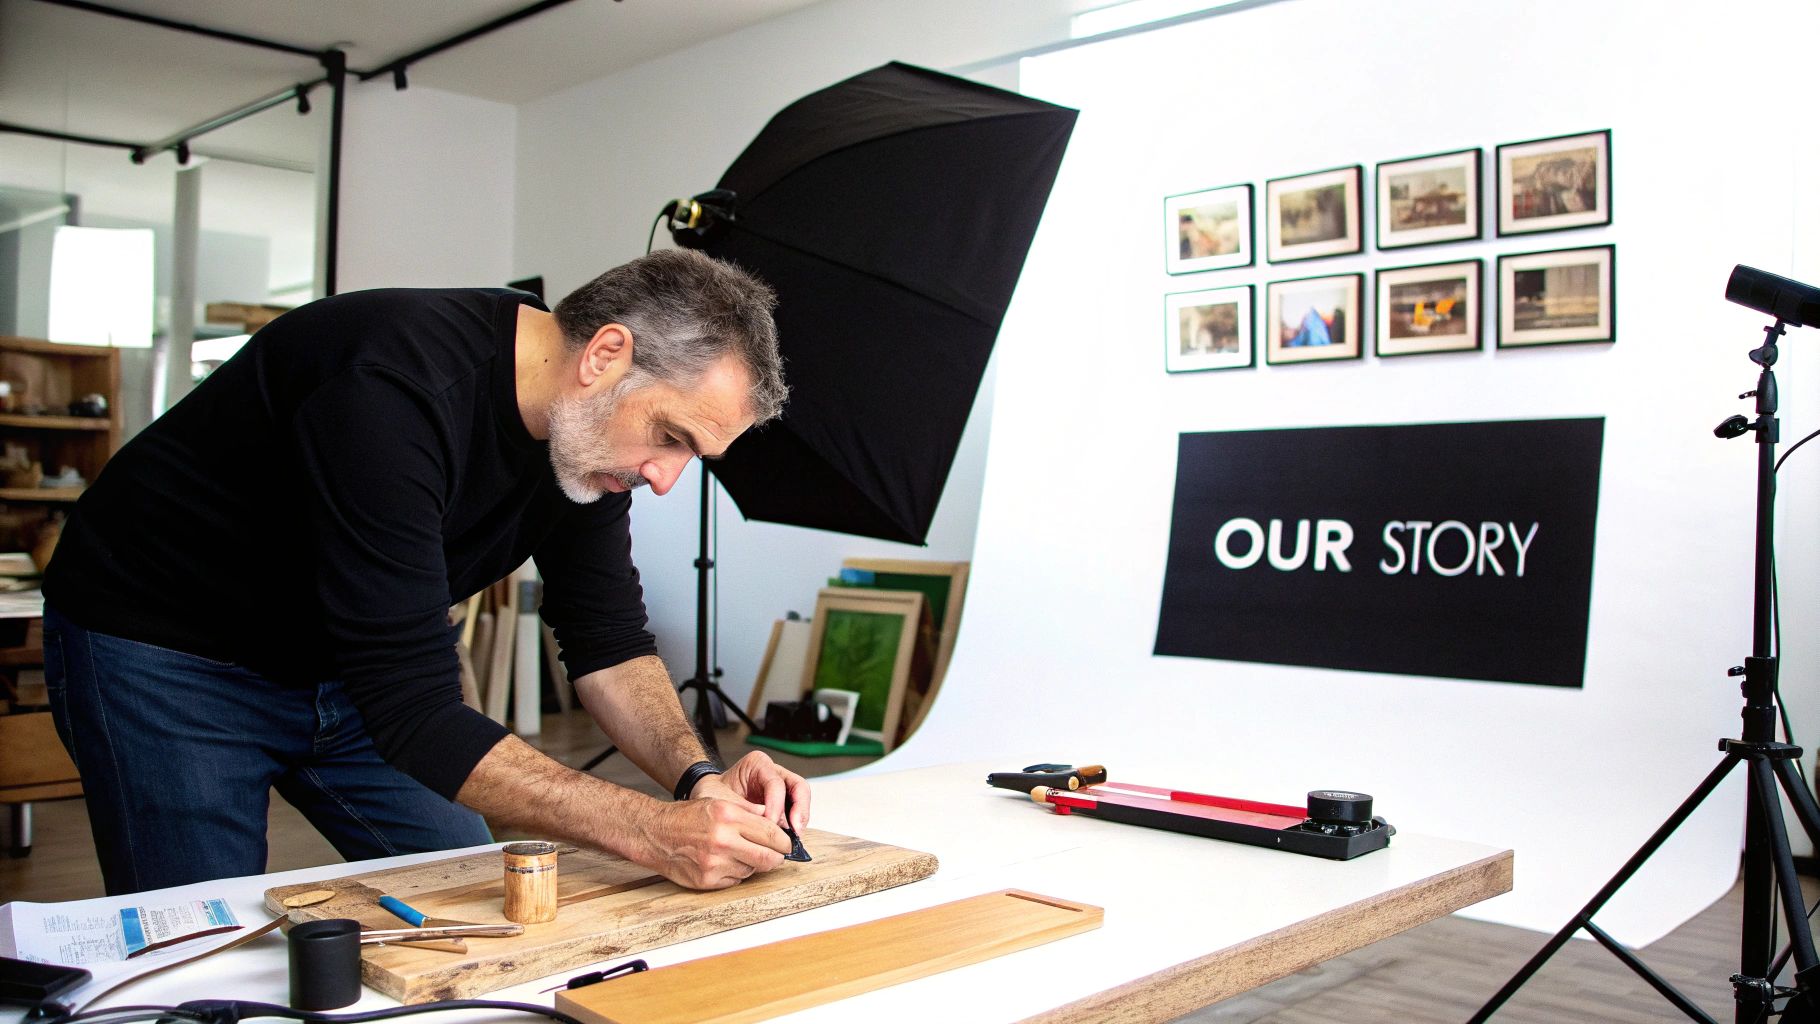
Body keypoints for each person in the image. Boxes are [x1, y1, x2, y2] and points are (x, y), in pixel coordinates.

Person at [41, 249, 809, 896]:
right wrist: (649, 829)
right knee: (195, 944)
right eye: (670, 437)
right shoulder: (389, 385)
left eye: (691, 456)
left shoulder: (588, 444)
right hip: (165, 650)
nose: (668, 479)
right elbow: (415, 711)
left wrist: (697, 779)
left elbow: (607, 638)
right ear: (604, 356)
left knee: (469, 892)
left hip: (346, 667)